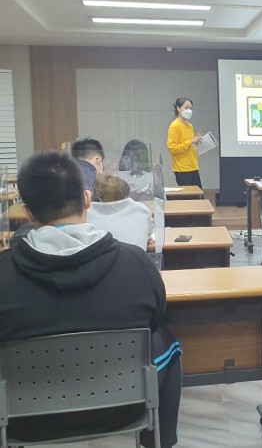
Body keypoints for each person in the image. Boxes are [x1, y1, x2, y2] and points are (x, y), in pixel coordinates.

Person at [0, 151, 181, 448]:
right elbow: (156, 319)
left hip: (24, 420)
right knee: (166, 341)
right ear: (87, 200)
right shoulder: (136, 263)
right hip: (124, 409)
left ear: (28, 213)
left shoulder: (4, 275)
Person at [87, 175, 153, 250]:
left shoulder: (85, 213)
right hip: (135, 257)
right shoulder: (142, 210)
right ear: (127, 194)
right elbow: (147, 234)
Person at [167, 97, 203, 188]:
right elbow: (172, 148)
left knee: (198, 194)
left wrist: (196, 141)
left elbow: (189, 145)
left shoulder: (190, 126)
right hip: (182, 169)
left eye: (190, 108)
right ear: (178, 108)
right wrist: (190, 141)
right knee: (187, 195)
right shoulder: (175, 126)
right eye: (186, 107)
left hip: (193, 166)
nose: (189, 110)